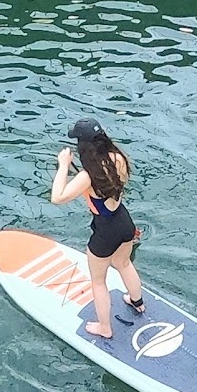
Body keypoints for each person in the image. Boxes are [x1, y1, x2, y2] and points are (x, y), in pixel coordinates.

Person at [49, 118, 144, 338]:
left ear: (83, 146)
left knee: (98, 282)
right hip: (124, 221)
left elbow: (57, 197)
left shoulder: (87, 176)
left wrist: (63, 166)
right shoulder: (118, 157)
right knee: (124, 263)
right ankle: (137, 303)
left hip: (105, 232)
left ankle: (105, 327)